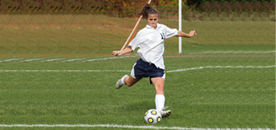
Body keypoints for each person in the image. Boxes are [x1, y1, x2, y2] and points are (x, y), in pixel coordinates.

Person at [112, 4, 196, 118]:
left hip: (157, 66)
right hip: (142, 65)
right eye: (151, 19)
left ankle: (159, 111)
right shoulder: (142, 33)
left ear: (158, 19)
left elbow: (176, 32)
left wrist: (189, 35)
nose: (153, 21)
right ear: (147, 19)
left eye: (155, 19)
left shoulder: (163, 29)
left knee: (160, 87)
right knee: (129, 83)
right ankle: (123, 80)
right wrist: (120, 52)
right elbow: (131, 47)